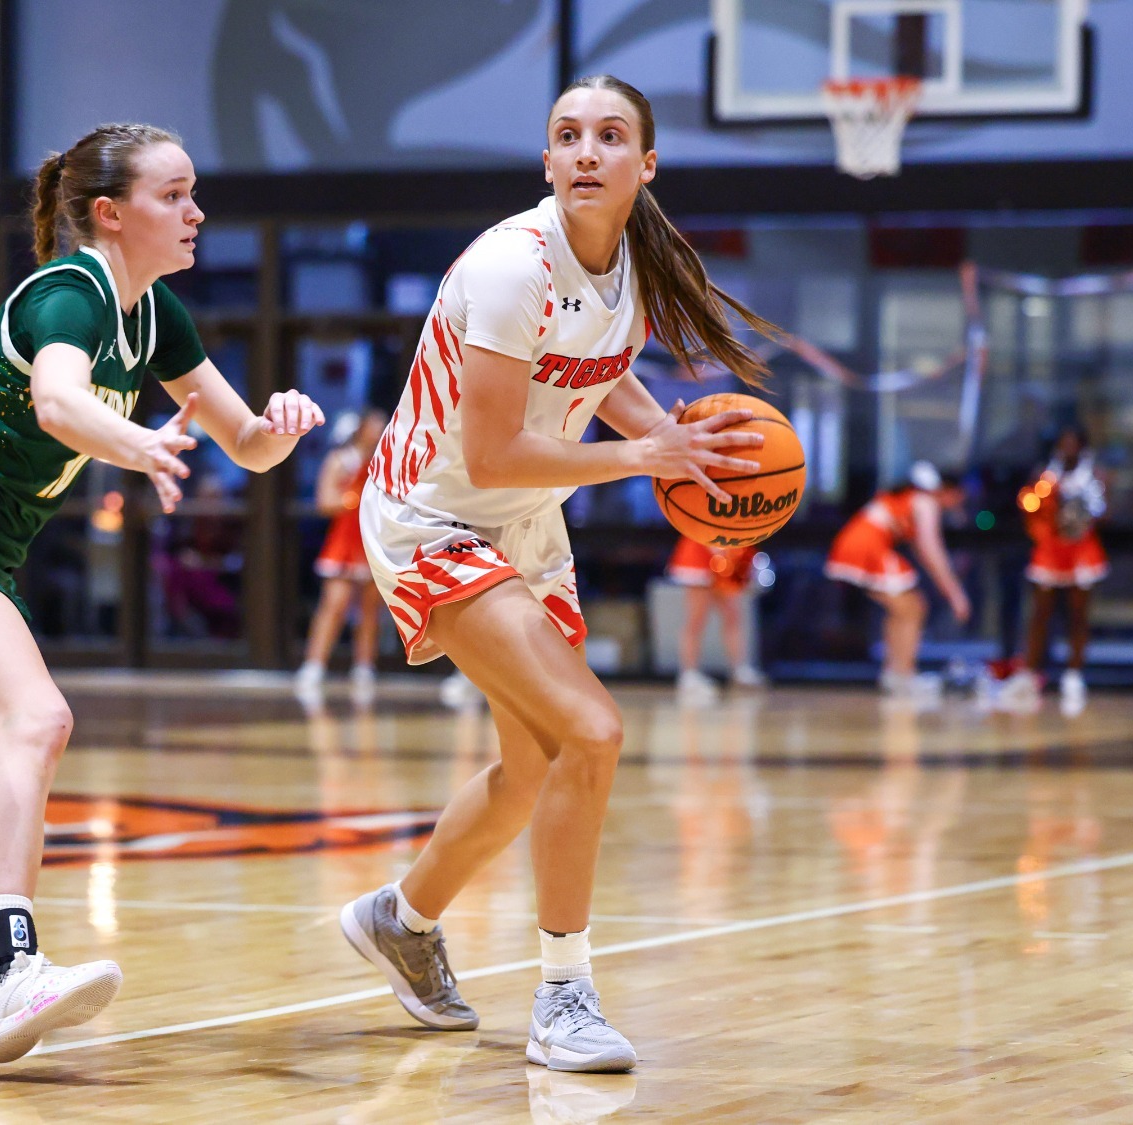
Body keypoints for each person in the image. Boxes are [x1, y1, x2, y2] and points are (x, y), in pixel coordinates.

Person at [0, 123, 324, 1064]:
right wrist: (136, 444)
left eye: (194, 193)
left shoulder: (155, 318)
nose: (197, 212)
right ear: (111, 213)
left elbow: (246, 442)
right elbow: (59, 402)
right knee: (38, 721)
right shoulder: (69, 294)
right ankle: (8, 971)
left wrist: (283, 425)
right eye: (175, 194)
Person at [339, 74, 776, 1075]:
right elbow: (489, 455)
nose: (585, 150)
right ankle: (562, 997)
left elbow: (595, 363)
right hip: (431, 516)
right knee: (592, 730)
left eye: (608, 136)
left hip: (522, 527)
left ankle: (399, 919)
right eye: (566, 135)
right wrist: (638, 460)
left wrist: (666, 437)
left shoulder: (631, 269)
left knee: (532, 766)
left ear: (643, 166)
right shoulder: (510, 265)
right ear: (546, 161)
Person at [823, 462, 970, 696]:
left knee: (905, 608)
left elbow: (922, 550)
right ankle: (903, 675)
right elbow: (931, 551)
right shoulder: (925, 502)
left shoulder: (909, 499)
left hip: (854, 545)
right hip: (866, 548)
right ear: (948, 490)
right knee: (913, 607)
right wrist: (956, 594)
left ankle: (895, 673)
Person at [1001, 424, 1107, 708]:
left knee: (1078, 614)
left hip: (1081, 551)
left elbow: (1100, 512)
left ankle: (1074, 674)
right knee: (1039, 614)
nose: (1068, 449)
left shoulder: (1094, 477)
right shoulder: (1044, 476)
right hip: (1050, 550)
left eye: (1074, 443)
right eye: (1064, 443)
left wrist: (1080, 516)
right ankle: (1029, 671)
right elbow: (1030, 507)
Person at [296, 408, 389, 702]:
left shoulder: (387, 462)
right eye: (374, 425)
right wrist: (355, 500)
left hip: (373, 539)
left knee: (370, 609)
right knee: (334, 604)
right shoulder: (341, 459)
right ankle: (314, 665)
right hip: (344, 541)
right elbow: (325, 501)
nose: (378, 431)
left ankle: (364, 667)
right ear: (361, 428)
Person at [665, 535, 763, 699]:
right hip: (699, 550)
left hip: (730, 549)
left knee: (733, 615)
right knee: (696, 618)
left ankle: (740, 670)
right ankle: (689, 675)